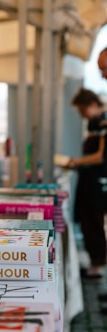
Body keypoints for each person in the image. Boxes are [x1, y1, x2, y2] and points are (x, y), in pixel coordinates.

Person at [62, 87, 107, 282]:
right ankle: (94, 264)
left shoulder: (103, 121)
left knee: (94, 222)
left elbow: (101, 157)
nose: (81, 115)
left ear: (92, 104)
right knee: (89, 222)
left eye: (82, 110)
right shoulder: (94, 123)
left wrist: (75, 162)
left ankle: (97, 265)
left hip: (97, 182)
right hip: (90, 181)